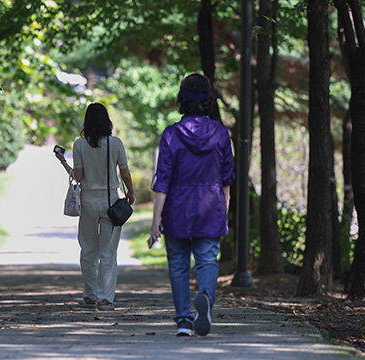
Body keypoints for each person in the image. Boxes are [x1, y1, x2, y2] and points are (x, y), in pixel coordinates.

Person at [150, 73, 234, 337]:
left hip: (177, 208)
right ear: (208, 101)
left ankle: (184, 321)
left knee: (177, 264)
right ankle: (206, 299)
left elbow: (162, 179)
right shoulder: (221, 133)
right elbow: (227, 179)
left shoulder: (171, 135)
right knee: (207, 260)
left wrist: (156, 220)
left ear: (182, 101)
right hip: (210, 207)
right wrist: (225, 211)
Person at [55, 103, 135, 310]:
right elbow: (125, 173)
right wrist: (131, 192)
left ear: (87, 122)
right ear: (107, 121)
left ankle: (90, 295)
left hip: (88, 201)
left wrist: (64, 162)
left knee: (88, 250)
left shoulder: (79, 145)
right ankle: (104, 298)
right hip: (110, 201)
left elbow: (79, 177)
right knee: (108, 252)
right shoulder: (116, 144)